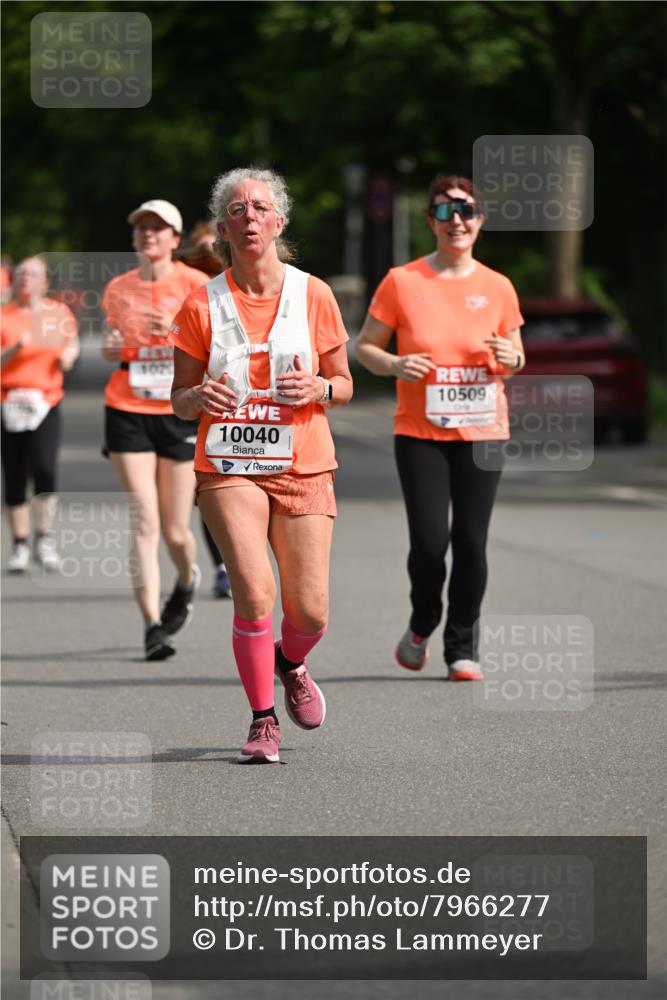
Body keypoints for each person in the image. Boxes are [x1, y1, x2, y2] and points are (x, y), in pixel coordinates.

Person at [170, 167, 353, 763]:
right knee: (254, 593)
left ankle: (291, 662)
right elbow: (178, 398)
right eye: (237, 209)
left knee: (311, 611)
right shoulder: (201, 303)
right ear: (222, 228)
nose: (249, 216)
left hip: (303, 462)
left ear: (279, 221)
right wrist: (199, 400)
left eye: (260, 207)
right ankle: (262, 719)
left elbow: (345, 383)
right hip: (229, 461)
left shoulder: (314, 294)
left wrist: (320, 390)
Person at [355, 173, 525, 681]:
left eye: (467, 210)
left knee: (471, 541)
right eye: (446, 212)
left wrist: (509, 357)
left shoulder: (497, 286)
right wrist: (394, 365)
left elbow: (516, 355)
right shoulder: (402, 281)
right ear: (431, 220)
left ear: (480, 220)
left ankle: (461, 646)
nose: (458, 221)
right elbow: (365, 347)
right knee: (430, 544)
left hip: (484, 431)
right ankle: (423, 618)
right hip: (420, 431)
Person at [101, 200, 209, 661]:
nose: (148, 234)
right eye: (141, 227)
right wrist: (117, 343)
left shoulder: (196, 285)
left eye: (158, 228)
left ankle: (186, 579)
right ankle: (151, 627)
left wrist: (173, 332)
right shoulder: (118, 288)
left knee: (175, 530)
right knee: (143, 521)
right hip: (126, 406)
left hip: (178, 410)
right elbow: (110, 349)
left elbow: (216, 346)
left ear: (175, 239)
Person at [1, 256, 79, 571]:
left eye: (32, 274)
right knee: (15, 473)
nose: (24, 279)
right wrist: (15, 349)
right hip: (9, 401)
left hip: (46, 401)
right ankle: (19, 544)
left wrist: (68, 357)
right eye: (20, 274)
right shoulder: (4, 315)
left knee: (45, 469)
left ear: (45, 282)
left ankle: (43, 538)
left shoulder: (57, 312)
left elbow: (70, 344)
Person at [177, 221, 232, 599]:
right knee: (209, 489)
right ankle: (224, 565)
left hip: (239, 409)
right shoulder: (188, 292)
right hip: (190, 400)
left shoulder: (241, 286)